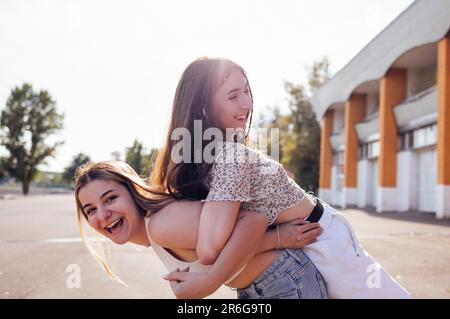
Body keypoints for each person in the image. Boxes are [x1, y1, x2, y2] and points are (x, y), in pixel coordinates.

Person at [150, 57, 411, 299]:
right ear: (203, 108)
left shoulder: (233, 156)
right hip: (311, 239)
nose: (247, 104)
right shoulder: (217, 157)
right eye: (233, 96)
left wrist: (207, 281)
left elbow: (208, 248)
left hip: (323, 240)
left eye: (246, 91)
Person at [75, 161, 327, 299]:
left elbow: (251, 220)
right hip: (258, 288)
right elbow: (227, 247)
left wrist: (278, 238)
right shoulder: (155, 234)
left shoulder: (161, 225)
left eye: (110, 199)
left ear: (132, 192)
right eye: (90, 209)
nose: (102, 215)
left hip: (282, 281)